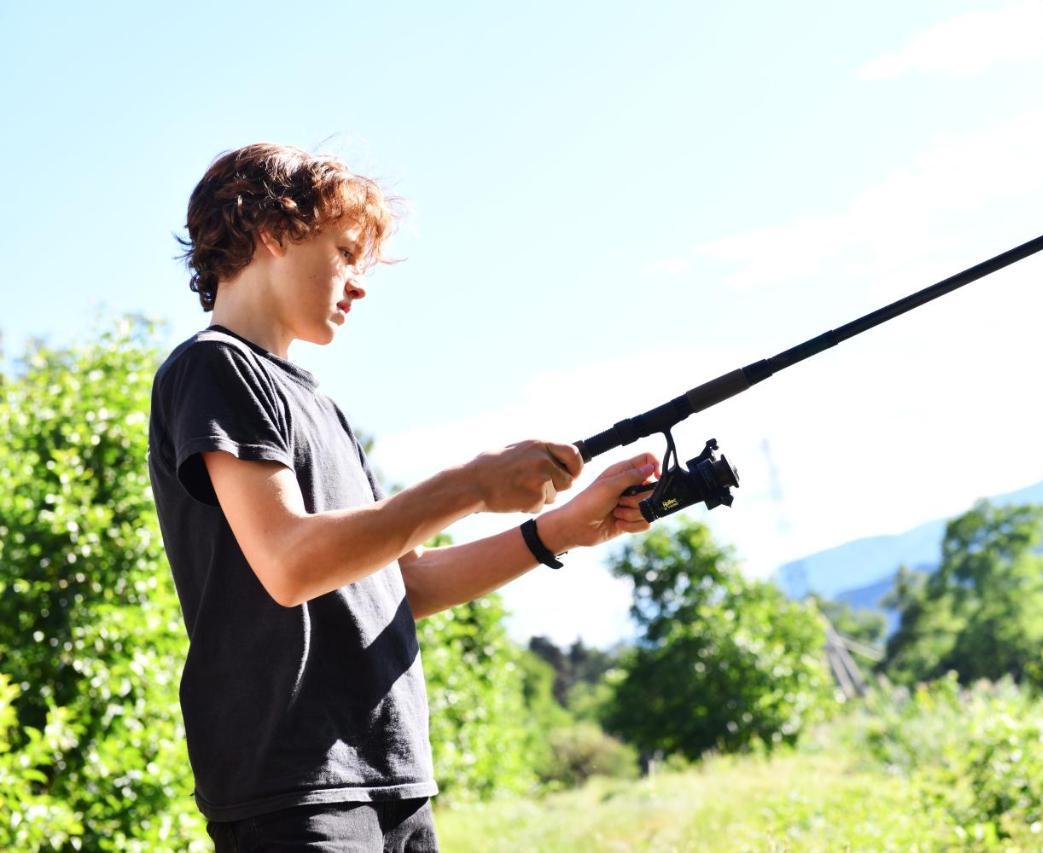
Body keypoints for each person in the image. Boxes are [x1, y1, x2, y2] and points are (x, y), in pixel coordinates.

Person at [147, 142, 659, 851]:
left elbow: (403, 583)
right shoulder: (214, 368)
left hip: (392, 778)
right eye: (346, 251)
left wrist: (562, 527)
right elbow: (289, 562)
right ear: (270, 232)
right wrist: (473, 485)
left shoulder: (320, 407)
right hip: (294, 789)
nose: (359, 282)